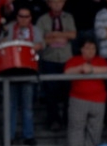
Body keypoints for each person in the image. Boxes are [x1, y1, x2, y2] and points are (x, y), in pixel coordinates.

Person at [0, 6, 44, 146]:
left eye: (26, 16)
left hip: (28, 72)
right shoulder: (9, 28)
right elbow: (0, 45)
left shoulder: (35, 30)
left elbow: (41, 44)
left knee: (27, 107)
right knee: (10, 107)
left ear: (30, 18)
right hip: (11, 71)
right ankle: (9, 137)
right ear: (17, 17)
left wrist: (37, 46)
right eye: (21, 16)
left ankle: (28, 135)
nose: (23, 19)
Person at [64, 38, 107, 146]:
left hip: (98, 99)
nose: (90, 51)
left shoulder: (101, 60)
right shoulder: (74, 60)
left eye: (93, 48)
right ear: (82, 49)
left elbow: (106, 70)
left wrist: (91, 69)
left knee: (95, 127)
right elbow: (67, 72)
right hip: (78, 98)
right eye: (87, 48)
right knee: (76, 126)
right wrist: (81, 68)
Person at [36, 0, 76, 132]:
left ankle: (67, 119)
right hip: (50, 58)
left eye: (60, 2)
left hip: (66, 59)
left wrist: (54, 35)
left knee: (68, 91)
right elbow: (39, 39)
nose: (57, 4)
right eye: (54, 2)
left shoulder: (68, 17)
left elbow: (73, 34)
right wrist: (59, 38)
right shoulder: (43, 19)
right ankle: (53, 120)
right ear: (48, 3)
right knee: (50, 91)